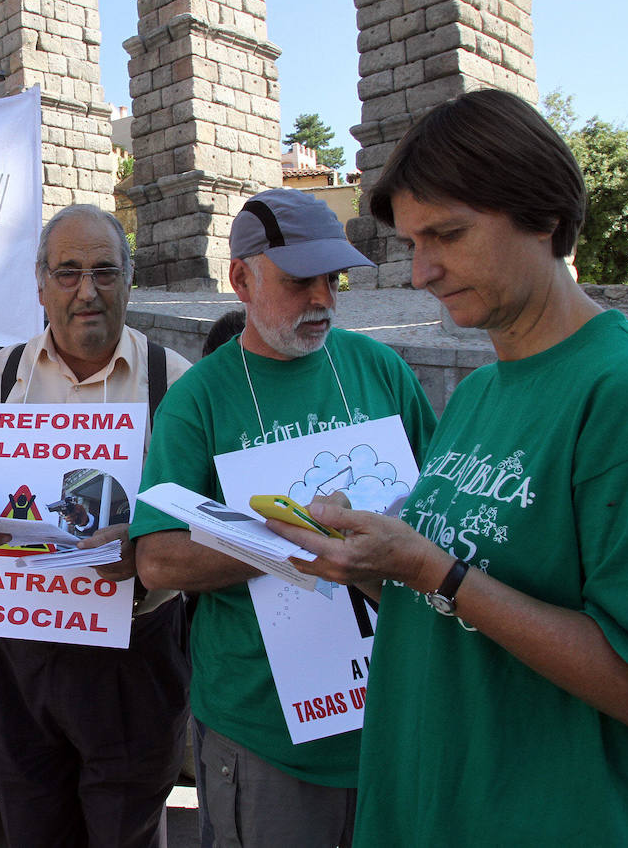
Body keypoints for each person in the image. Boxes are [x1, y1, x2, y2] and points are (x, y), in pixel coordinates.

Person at [266, 89, 628, 846]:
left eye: (449, 236)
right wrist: (370, 562)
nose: (422, 271)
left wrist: (436, 572)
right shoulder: (480, 391)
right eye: (411, 243)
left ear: (545, 218)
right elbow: (458, 598)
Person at [131, 188, 437, 848]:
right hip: (265, 745)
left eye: (335, 279)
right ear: (241, 277)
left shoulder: (379, 367)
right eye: (300, 282)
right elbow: (155, 558)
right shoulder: (198, 400)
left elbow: (438, 506)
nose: (323, 299)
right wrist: (289, 542)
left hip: (397, 722)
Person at [0, 205, 191, 847]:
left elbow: (207, 516)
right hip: (21, 659)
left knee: (127, 834)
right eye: (68, 273)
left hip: (134, 656)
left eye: (103, 271)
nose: (86, 291)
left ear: (129, 279)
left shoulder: (175, 382)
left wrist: (146, 547)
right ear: (40, 285)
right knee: (33, 831)